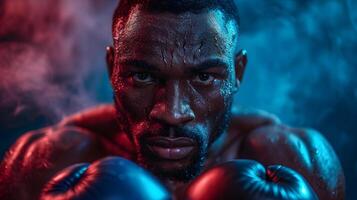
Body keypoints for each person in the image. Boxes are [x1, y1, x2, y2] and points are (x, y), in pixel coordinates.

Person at [0, 1, 345, 199]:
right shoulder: (45, 165)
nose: (173, 112)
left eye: (204, 78)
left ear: (237, 73)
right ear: (112, 69)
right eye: (144, 77)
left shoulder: (297, 161)